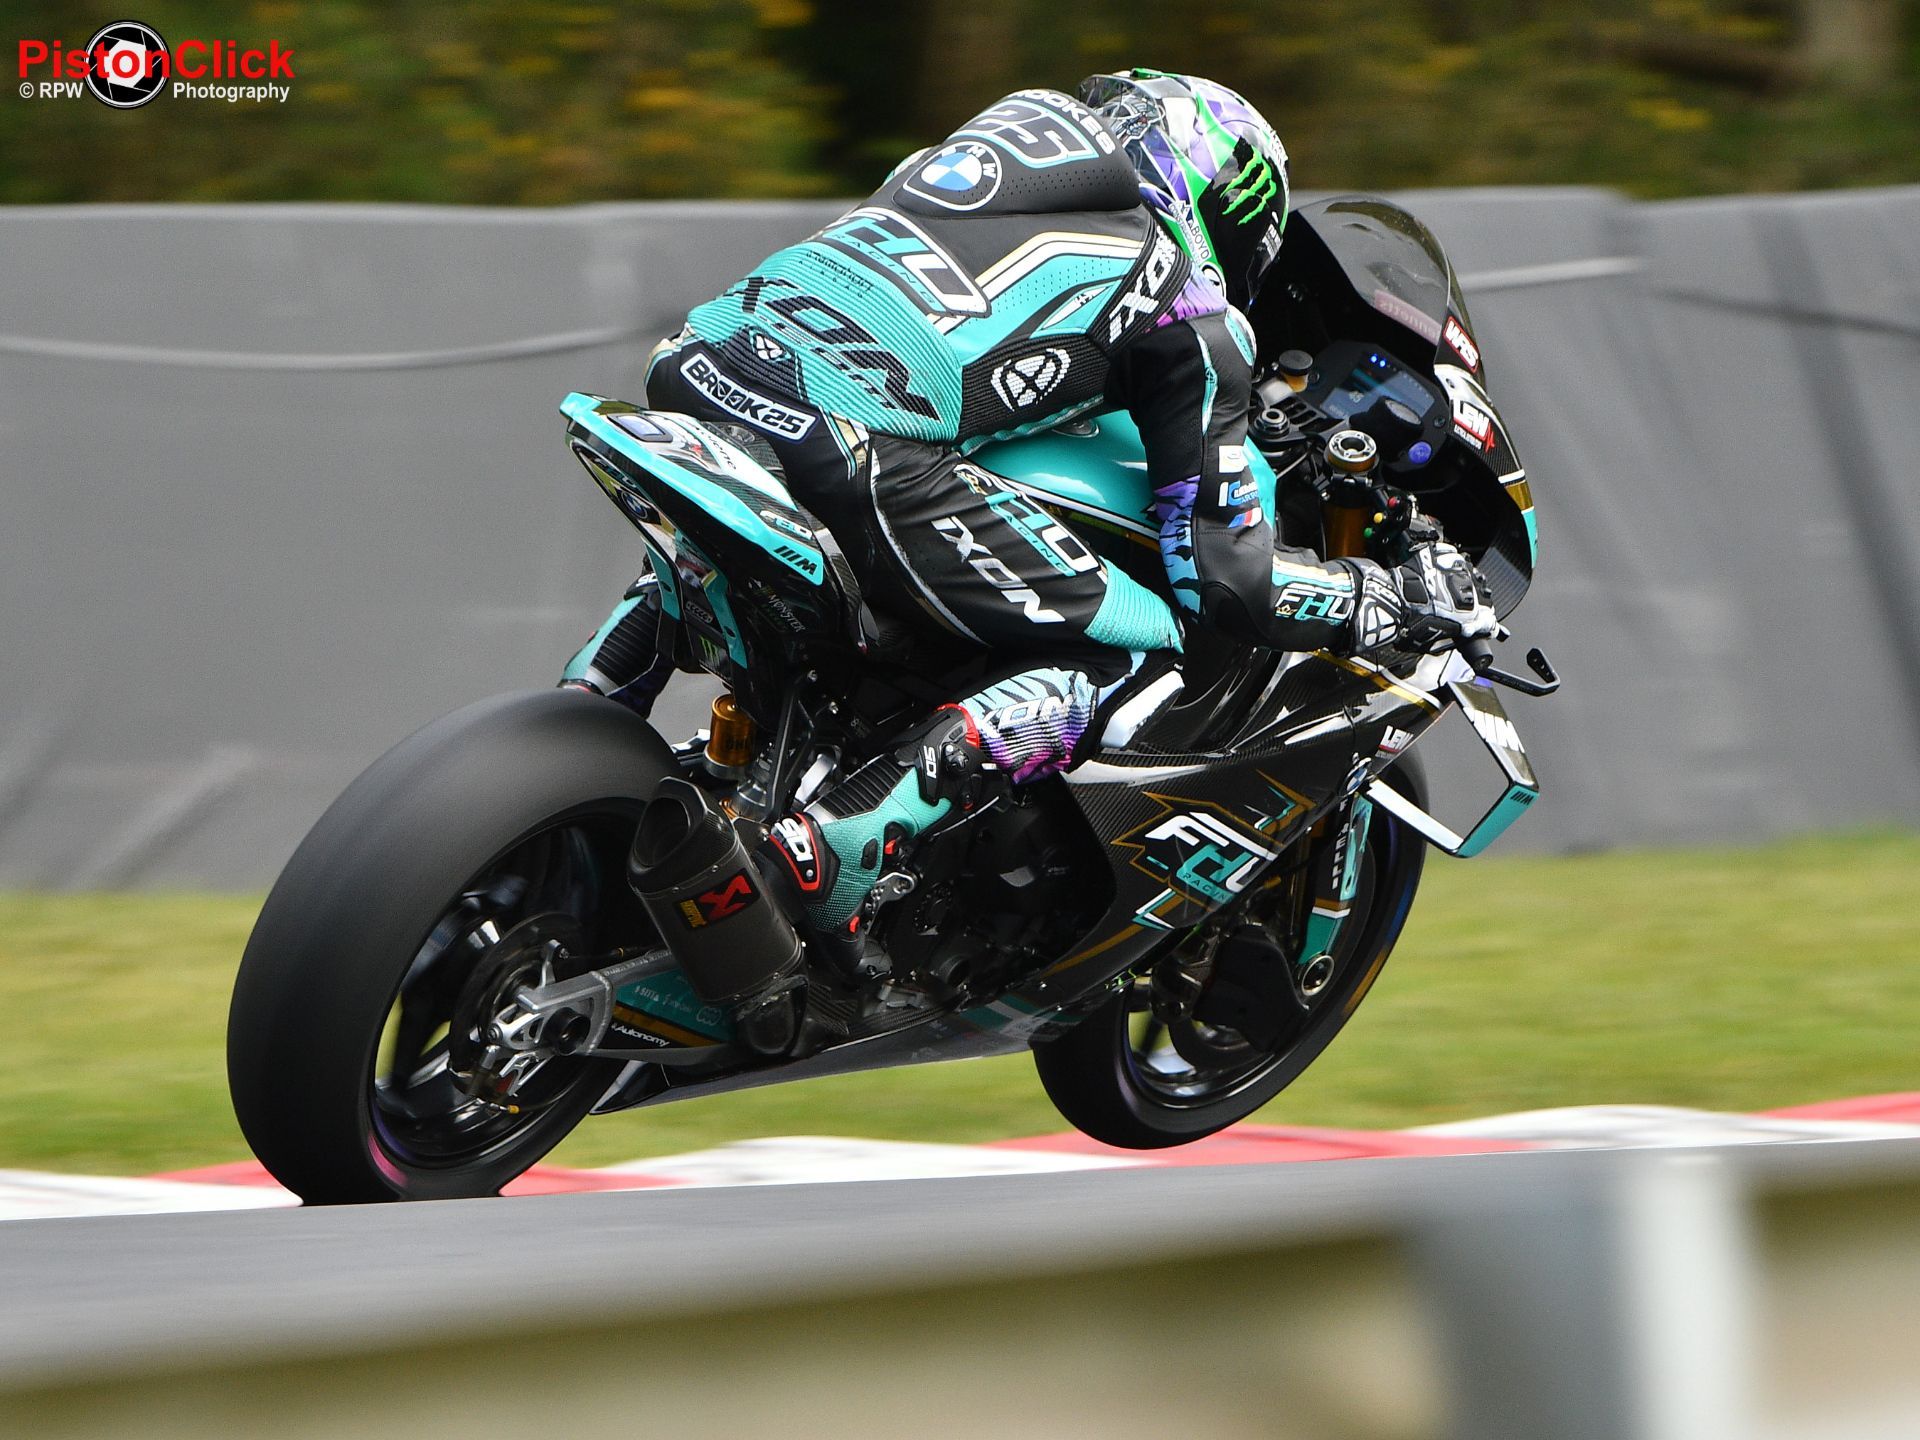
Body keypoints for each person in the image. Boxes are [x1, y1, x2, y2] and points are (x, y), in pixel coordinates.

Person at [564, 70, 1495, 1012]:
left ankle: (582, 711)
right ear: (1225, 203)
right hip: (862, 451)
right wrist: (1389, 598)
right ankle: (835, 847)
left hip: (700, 366)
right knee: (1137, 647)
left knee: (718, 540)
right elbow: (1223, 579)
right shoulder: (1185, 307)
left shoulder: (963, 167)